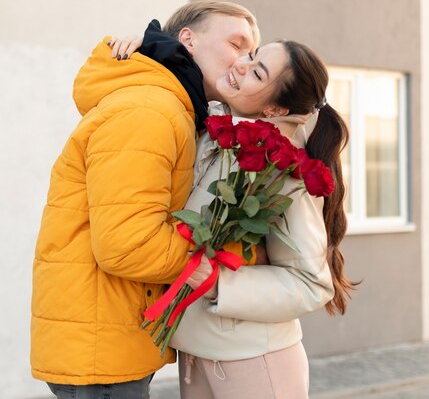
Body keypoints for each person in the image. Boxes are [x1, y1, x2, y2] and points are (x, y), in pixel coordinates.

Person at [30, 0, 260, 399]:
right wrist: (220, 260)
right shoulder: (149, 110)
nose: (243, 61)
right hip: (103, 352)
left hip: (110, 338)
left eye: (252, 53)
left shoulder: (173, 108)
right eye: (236, 44)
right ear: (187, 40)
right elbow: (127, 245)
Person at [112, 38, 356, 399]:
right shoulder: (214, 133)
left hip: (255, 360)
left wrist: (217, 284)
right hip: (195, 353)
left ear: (274, 109)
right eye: (251, 55)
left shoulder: (280, 171)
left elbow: (311, 283)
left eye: (257, 72)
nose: (241, 64)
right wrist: (147, 45)